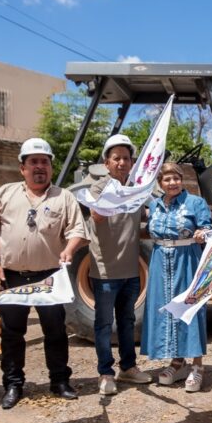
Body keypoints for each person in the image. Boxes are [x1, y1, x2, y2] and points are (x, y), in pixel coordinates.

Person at [0, 138, 88, 409]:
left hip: (49, 276)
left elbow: (77, 230)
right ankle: (13, 384)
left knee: (55, 331)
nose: (39, 167)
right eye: (34, 162)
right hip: (11, 276)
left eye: (45, 162)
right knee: (12, 333)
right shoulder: (6, 193)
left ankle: (60, 381)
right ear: (23, 168)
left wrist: (70, 250)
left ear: (51, 167)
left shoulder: (64, 197)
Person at [86, 134, 153, 395]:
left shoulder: (138, 188)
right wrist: (120, 195)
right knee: (103, 324)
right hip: (104, 270)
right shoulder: (98, 188)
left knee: (127, 321)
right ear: (107, 163)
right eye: (117, 159)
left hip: (130, 270)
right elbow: (97, 215)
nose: (122, 163)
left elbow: (145, 219)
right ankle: (105, 373)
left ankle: (128, 367)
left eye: (126, 158)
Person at [142, 162, 212, 392]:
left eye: (175, 178)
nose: (172, 183)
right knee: (169, 310)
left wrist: (202, 233)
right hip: (160, 260)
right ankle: (177, 361)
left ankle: (197, 365)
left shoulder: (195, 203)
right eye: (166, 179)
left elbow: (207, 227)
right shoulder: (155, 205)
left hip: (187, 259)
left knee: (190, 309)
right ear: (160, 183)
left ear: (181, 180)